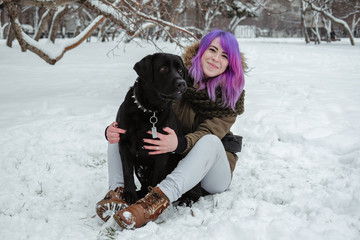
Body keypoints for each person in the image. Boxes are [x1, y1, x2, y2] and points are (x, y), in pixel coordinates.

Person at [96, 29, 247, 229]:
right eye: (212, 50)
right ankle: (118, 193)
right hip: (175, 159)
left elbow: (207, 133)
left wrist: (179, 143)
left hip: (211, 171)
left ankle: (157, 199)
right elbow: (142, 114)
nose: (216, 58)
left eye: (225, 56)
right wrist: (111, 130)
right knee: (119, 132)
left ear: (230, 63)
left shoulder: (230, 97)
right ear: (201, 51)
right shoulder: (175, 78)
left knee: (209, 141)